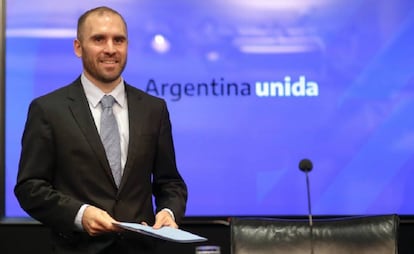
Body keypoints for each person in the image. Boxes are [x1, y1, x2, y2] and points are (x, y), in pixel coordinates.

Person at [14, 6, 188, 254]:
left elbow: (170, 182)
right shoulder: (48, 110)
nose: (110, 49)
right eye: (99, 39)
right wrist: (79, 215)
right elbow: (30, 187)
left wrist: (168, 212)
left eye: (119, 40)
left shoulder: (154, 109)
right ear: (78, 47)